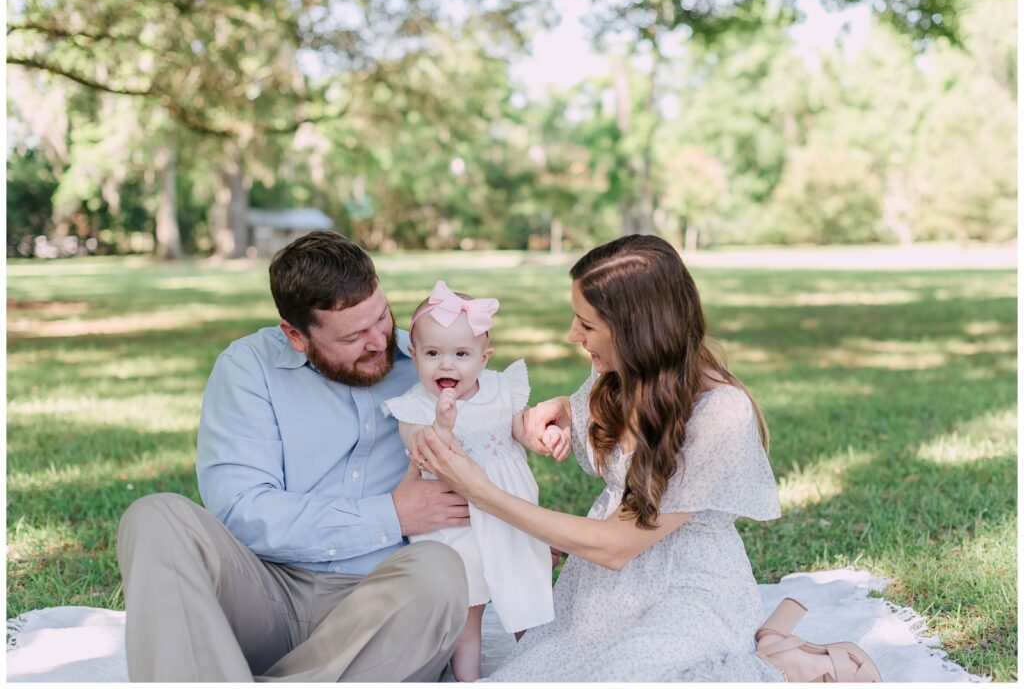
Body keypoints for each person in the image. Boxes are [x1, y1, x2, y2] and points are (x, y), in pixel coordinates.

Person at [410, 234, 882, 682]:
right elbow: (583, 420)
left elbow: (615, 546)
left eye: (587, 323)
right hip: (598, 594)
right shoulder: (617, 376)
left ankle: (771, 658)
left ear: (637, 331)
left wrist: (482, 494)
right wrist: (553, 411)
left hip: (687, 586)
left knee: (630, 673)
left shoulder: (720, 413)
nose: (573, 334)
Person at [115, 231, 472, 682]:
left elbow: (495, 445)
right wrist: (391, 516)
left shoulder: (433, 365)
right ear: (295, 335)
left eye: (381, 316)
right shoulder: (248, 368)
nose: (379, 342)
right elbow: (243, 509)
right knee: (155, 517)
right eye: (353, 336)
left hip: (381, 606)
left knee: (439, 573)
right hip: (265, 594)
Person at [381, 280, 568, 681]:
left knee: (527, 594)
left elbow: (519, 427)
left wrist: (541, 434)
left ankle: (542, 669)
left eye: (461, 354)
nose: (446, 365)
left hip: (509, 511)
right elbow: (426, 452)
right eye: (433, 353)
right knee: (467, 608)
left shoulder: (501, 388)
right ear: (413, 357)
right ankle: (468, 678)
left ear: (485, 358)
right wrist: (443, 425)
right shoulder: (414, 407)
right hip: (456, 522)